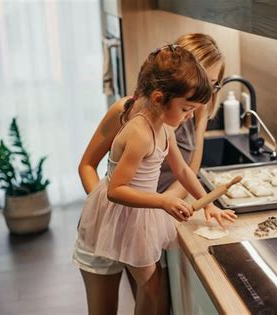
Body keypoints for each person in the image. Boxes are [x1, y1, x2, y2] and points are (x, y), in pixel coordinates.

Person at [73, 44, 236, 315]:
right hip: (109, 219)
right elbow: (115, 190)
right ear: (160, 98)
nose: (188, 116)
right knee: (109, 307)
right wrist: (161, 201)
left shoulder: (164, 128)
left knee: (152, 288)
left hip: (137, 221)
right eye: (186, 108)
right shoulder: (139, 133)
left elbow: (184, 172)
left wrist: (207, 204)